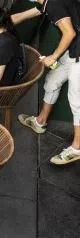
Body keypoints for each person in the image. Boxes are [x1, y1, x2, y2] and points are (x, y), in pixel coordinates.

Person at [14, 0, 80, 165]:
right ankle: (40, 122)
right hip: (75, 49)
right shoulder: (46, 3)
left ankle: (77, 148)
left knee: (75, 99)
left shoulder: (54, 4)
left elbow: (69, 33)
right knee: (52, 81)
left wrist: (53, 57)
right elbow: (22, 15)